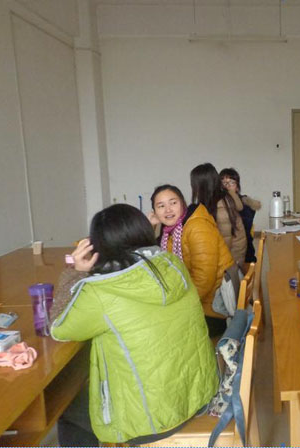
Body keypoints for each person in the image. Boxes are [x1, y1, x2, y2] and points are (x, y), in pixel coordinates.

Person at [50, 204, 218, 445]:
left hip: (149, 420)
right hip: (197, 396)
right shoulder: (172, 263)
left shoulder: (100, 291)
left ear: (97, 246)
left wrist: (75, 272)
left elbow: (58, 328)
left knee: (66, 410)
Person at [148, 184, 234, 336]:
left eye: (173, 203)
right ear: (154, 212)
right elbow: (156, 261)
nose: (168, 210)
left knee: (158, 327)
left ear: (183, 203)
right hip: (199, 297)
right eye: (161, 206)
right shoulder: (171, 230)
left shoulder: (197, 227)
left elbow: (204, 279)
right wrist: (151, 227)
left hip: (214, 308)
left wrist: (180, 306)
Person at [191, 163, 247, 266]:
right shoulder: (213, 201)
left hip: (230, 263)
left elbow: (228, 242)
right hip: (225, 258)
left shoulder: (222, 206)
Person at [219, 167, 262, 263]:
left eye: (232, 183)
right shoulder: (218, 204)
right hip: (225, 251)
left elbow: (244, 227)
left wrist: (233, 196)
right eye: (224, 183)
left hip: (245, 252)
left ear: (237, 187)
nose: (228, 186)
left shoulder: (245, 203)